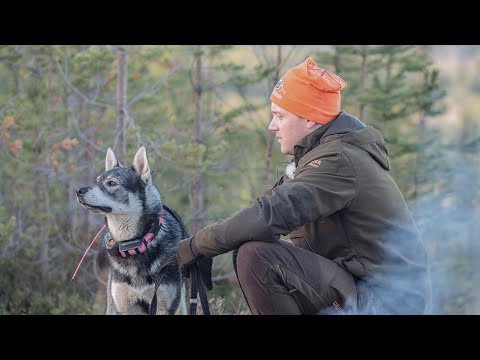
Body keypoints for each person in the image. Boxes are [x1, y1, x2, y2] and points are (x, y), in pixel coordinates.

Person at [177, 57, 432, 315]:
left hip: (387, 303)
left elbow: (270, 214)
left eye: (279, 116)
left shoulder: (338, 161)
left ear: (309, 119)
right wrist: (209, 245)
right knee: (248, 245)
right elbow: (260, 211)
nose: (272, 125)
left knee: (256, 256)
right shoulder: (319, 155)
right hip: (364, 289)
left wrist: (195, 246)